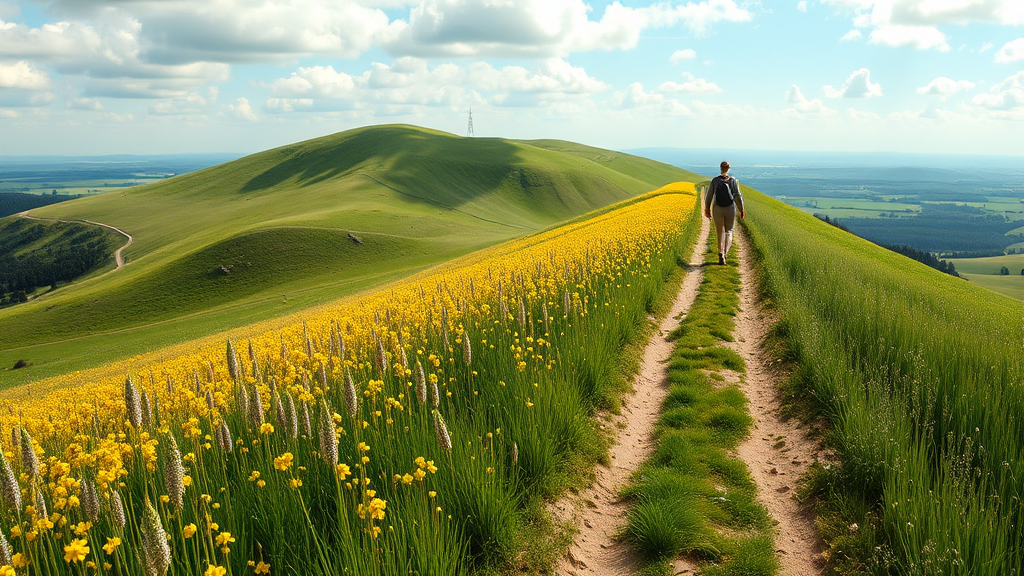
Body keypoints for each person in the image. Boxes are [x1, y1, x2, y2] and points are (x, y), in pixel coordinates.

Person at [703, 161, 745, 265]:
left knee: (719, 232)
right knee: (729, 231)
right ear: (728, 169)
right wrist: (741, 209)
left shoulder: (715, 181)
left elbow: (709, 196)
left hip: (717, 208)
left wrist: (707, 209)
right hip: (730, 208)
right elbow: (737, 195)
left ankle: (721, 253)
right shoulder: (732, 181)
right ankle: (725, 253)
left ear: (720, 168)